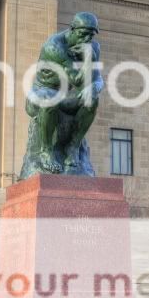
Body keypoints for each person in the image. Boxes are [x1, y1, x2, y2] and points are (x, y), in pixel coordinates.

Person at [18, 12, 103, 179]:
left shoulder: (93, 47)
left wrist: (94, 88)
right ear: (72, 29)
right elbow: (78, 80)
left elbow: (98, 79)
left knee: (91, 99)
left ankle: (73, 146)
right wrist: (87, 59)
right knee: (51, 99)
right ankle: (45, 152)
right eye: (83, 33)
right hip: (41, 93)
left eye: (91, 35)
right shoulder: (54, 46)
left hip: (66, 97)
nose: (87, 39)